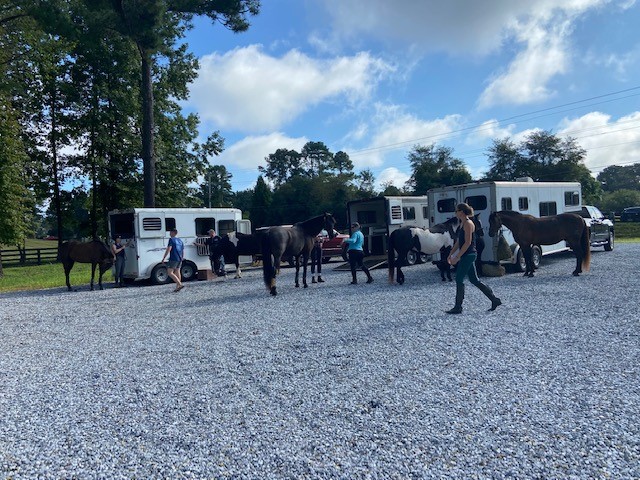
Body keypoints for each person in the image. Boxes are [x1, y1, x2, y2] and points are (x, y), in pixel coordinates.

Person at [446, 203, 502, 314]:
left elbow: (467, 243)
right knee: (474, 280)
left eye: (456, 211)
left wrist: (457, 257)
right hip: (467, 254)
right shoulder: (462, 223)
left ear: (461, 211)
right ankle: (494, 300)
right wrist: (451, 253)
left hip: (469, 254)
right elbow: (459, 241)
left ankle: (458, 307)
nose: (455, 213)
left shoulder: (468, 223)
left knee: (459, 279)